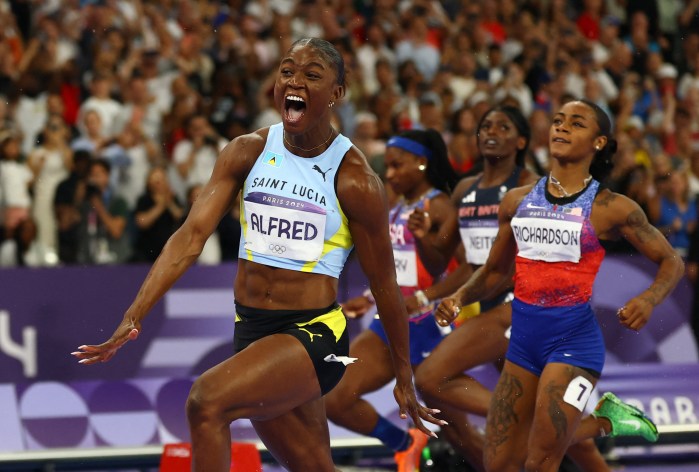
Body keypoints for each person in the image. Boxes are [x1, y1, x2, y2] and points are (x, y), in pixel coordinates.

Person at [73, 38, 442, 472]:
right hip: (251, 327)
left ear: (337, 93)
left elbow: (383, 285)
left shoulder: (356, 179)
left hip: (313, 334)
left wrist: (404, 377)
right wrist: (133, 315)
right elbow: (190, 237)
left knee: (206, 402)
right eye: (287, 71)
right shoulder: (246, 151)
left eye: (311, 74)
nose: (295, 81)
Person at [435, 99, 684, 472]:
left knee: (541, 461)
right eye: (557, 121)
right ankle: (606, 420)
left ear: (598, 142)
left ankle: (603, 422)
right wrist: (459, 295)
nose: (562, 127)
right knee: (498, 464)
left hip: (573, 344)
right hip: (523, 342)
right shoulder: (516, 201)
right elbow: (493, 272)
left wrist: (649, 300)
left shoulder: (611, 207)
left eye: (576, 123)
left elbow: (671, 261)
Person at [414, 105, 614, 471]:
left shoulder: (535, 186)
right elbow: (452, 262)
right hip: (485, 302)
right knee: (549, 427)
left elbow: (530, 262)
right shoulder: (465, 190)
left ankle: (534, 423)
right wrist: (424, 239)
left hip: (517, 304)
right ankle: (600, 426)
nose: (491, 131)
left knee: (430, 378)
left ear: (521, 140)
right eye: (485, 125)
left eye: (503, 127)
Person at [324, 128, 459, 472]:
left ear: (422, 163)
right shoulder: (398, 207)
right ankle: (406, 444)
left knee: (456, 426)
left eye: (398, 165)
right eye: (388, 166)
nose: (390, 173)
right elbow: (398, 266)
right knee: (334, 398)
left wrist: (425, 294)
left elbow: (461, 268)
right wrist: (369, 298)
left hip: (428, 325)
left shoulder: (439, 206)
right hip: (390, 321)